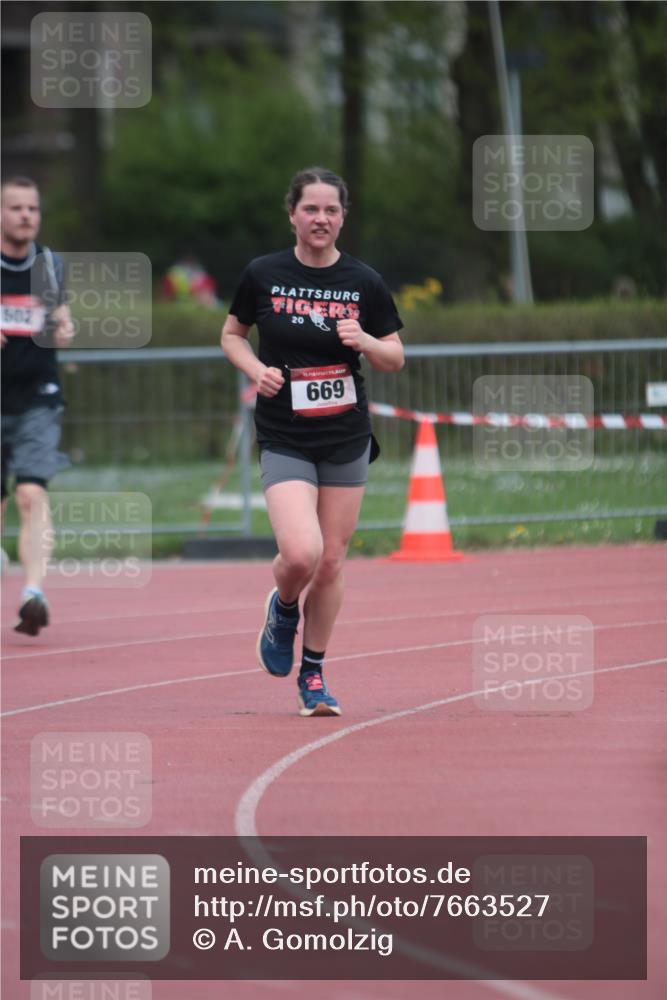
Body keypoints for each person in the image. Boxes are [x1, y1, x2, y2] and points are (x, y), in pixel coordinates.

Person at [221, 166, 404, 717]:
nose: (320, 218)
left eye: (331, 210)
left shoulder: (364, 281)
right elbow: (231, 335)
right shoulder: (263, 274)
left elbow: (395, 356)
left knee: (332, 562)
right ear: (293, 214)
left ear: (342, 216)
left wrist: (368, 340)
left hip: (345, 434)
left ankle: (314, 674)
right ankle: (282, 609)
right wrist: (256, 368)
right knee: (302, 552)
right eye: (311, 209)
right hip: (285, 433)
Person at [1, 176, 74, 635]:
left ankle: (33, 593)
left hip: (37, 397)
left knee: (30, 494)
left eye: (33, 208)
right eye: (16, 208)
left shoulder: (49, 265)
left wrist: (65, 326)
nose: (27, 215)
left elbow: (60, 316)